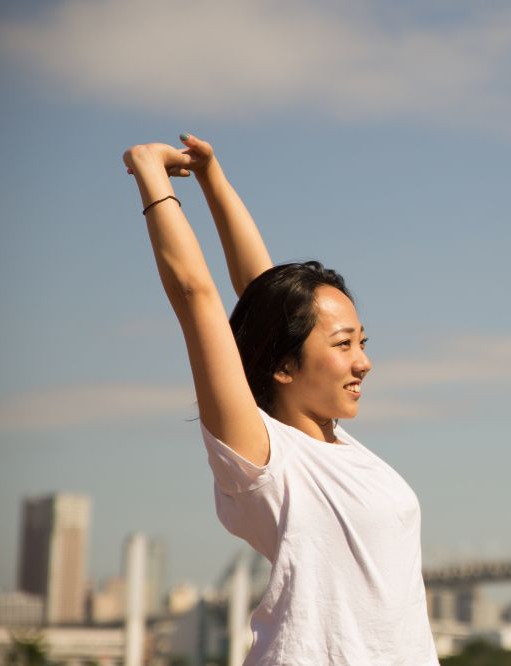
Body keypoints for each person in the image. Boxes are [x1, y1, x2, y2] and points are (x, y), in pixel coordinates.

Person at [123, 135, 439, 664]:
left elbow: (265, 296)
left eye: (363, 342)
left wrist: (212, 179)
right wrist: (149, 172)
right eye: (343, 345)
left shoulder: (339, 449)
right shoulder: (267, 459)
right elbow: (195, 293)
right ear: (283, 366)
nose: (364, 362)